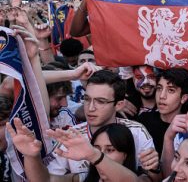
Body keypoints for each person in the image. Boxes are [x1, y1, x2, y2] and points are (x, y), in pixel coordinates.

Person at [20, 70, 160, 181]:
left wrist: (154, 170)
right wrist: (31, 156)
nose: (90, 108)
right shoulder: (71, 136)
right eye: (87, 99)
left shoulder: (137, 132)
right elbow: (47, 180)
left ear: (119, 104)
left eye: (100, 101)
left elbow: (153, 178)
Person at [6, 119, 147, 182]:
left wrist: (93, 154)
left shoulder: (141, 178)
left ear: (125, 155)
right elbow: (45, 180)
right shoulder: (83, 178)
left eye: (110, 150)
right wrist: (31, 156)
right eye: (96, 148)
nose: (101, 154)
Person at [138, 67, 188, 155]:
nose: (162, 96)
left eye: (171, 90)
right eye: (159, 88)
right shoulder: (143, 121)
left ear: (183, 98)